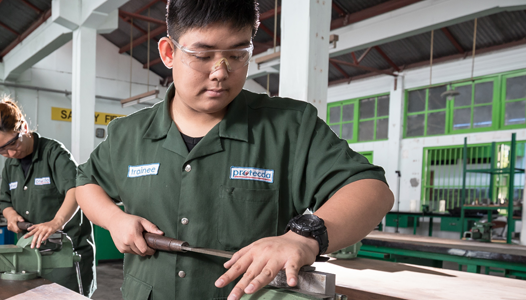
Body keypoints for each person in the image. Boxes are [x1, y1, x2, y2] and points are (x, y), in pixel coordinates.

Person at [75, 1, 393, 299]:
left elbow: (371, 190)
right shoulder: (127, 134)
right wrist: (114, 219)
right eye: (203, 55)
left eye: (238, 55)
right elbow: (84, 183)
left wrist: (304, 238)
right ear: (169, 52)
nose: (221, 72)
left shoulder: (289, 128)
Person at [0, 96, 96, 296]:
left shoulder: (54, 154)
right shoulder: (10, 165)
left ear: (23, 126)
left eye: (12, 144)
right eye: (0, 150)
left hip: (64, 255)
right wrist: (10, 215)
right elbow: (5, 200)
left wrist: (55, 223)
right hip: (29, 254)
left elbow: (76, 190)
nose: (10, 153)